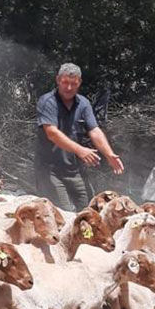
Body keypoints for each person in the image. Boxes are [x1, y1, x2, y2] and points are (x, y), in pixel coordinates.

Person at [34, 63, 124, 211]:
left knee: (90, 211)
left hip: (74, 170)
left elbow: (94, 130)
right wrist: (80, 150)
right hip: (50, 170)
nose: (68, 88)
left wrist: (109, 154)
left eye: (73, 84)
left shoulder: (83, 103)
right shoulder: (47, 102)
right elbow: (52, 133)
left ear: (79, 83)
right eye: (65, 83)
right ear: (58, 80)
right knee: (62, 214)